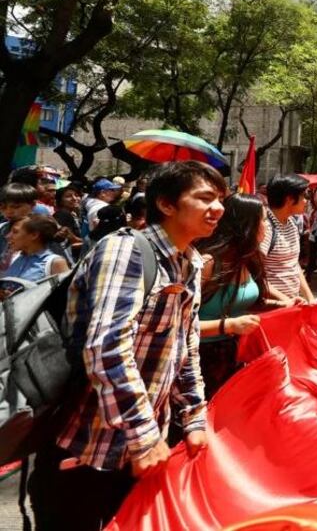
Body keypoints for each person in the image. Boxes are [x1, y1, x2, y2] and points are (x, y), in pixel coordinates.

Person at [30, 161, 226, 530]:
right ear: (166, 205)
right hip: (84, 449)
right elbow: (106, 347)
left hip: (138, 456)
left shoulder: (190, 263)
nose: (218, 208)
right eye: (205, 198)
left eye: (221, 199)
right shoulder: (126, 251)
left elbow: (185, 348)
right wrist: (145, 435)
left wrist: (194, 416)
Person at [196, 194, 289, 397]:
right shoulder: (207, 264)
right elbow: (179, 325)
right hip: (200, 361)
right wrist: (228, 325)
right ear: (246, 226)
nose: (267, 226)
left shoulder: (248, 258)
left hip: (236, 354)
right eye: (263, 220)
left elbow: (251, 302)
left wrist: (282, 305)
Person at [261, 174, 314, 304]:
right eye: (303, 196)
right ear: (290, 199)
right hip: (272, 308)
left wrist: (310, 298)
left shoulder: (291, 222)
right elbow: (255, 276)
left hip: (291, 304)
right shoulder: (265, 227)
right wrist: (285, 301)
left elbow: (293, 265)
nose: (306, 201)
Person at [0, 215, 70, 298]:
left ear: (34, 235)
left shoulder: (55, 263)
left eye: (15, 232)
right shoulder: (13, 258)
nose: (8, 236)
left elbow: (65, 298)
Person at [0, 182, 38, 275]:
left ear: (32, 205)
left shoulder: (42, 230)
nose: (9, 211)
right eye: (3, 207)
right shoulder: (2, 228)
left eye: (16, 207)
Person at [54, 184, 84, 260]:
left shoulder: (72, 213)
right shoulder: (63, 214)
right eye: (68, 196)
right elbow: (65, 244)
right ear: (60, 200)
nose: (74, 198)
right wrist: (88, 244)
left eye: (76, 195)